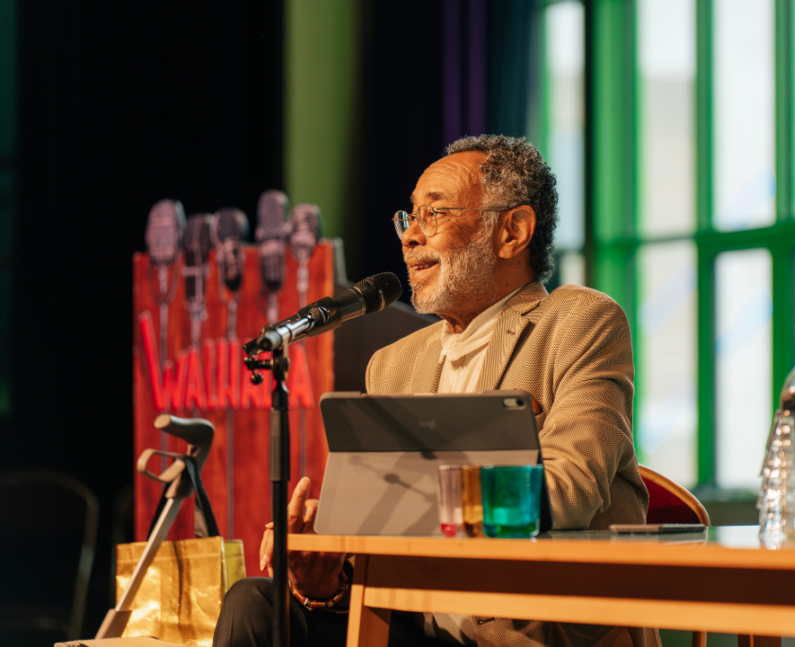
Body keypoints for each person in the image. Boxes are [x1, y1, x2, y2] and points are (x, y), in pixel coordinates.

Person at [213, 135, 661, 647]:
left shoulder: (579, 322)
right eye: (408, 218)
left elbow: (568, 492)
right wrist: (330, 567)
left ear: (512, 231)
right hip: (414, 626)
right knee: (255, 602)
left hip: (529, 631)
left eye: (436, 214)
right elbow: (375, 560)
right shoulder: (394, 364)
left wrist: (407, 498)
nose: (409, 237)